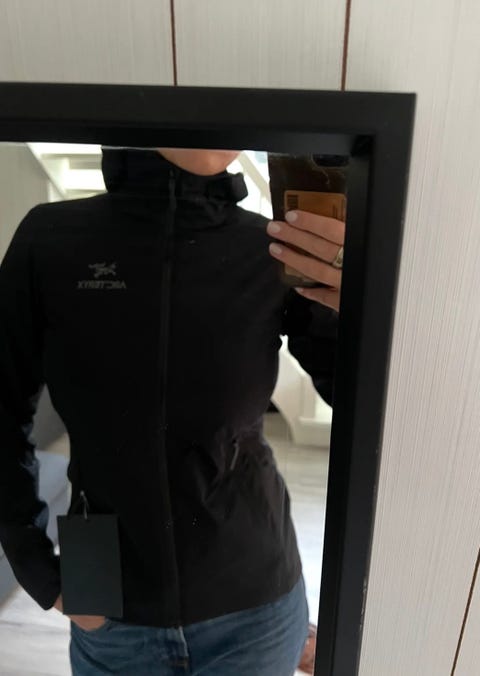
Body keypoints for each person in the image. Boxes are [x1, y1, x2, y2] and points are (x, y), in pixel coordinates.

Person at [0, 146, 344, 675]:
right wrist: (38, 571)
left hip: (257, 601)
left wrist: (357, 301)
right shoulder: (49, 239)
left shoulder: (269, 247)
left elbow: (355, 399)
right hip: (104, 592)